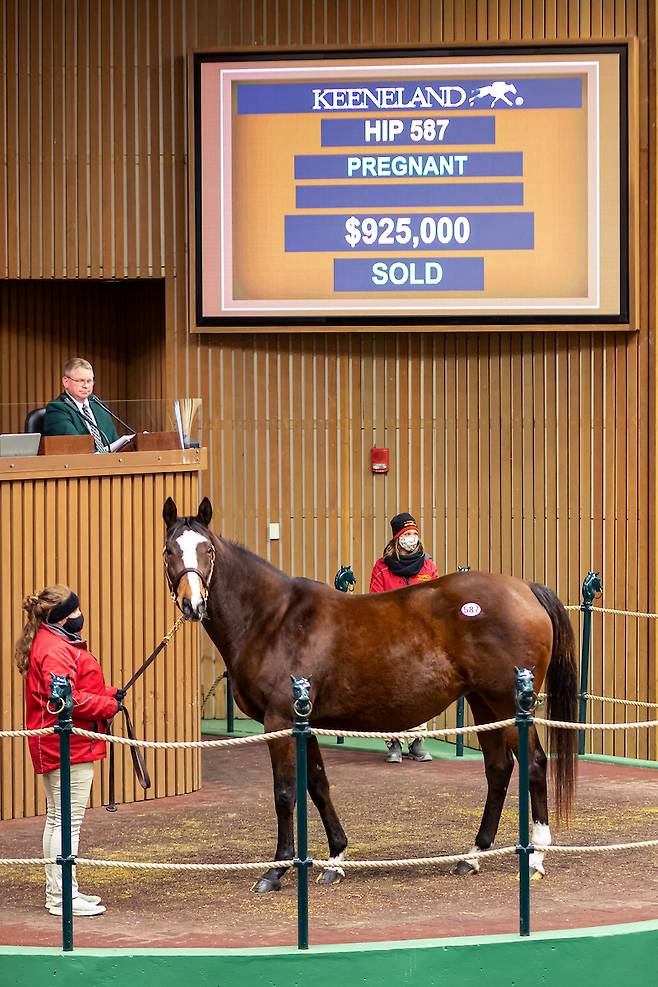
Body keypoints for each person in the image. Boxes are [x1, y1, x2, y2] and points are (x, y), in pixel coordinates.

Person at [15, 584, 123, 917]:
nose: (80, 616)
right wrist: (107, 705)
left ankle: (62, 891)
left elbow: (75, 688)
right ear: (63, 618)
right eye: (75, 611)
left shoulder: (53, 642)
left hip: (61, 744)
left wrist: (109, 693)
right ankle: (62, 897)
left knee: (58, 820)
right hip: (66, 746)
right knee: (67, 823)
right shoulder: (55, 649)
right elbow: (65, 701)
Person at [369, 512, 439, 764]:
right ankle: (393, 743)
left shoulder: (428, 566)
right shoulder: (382, 567)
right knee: (389, 690)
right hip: (390, 638)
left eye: (414, 534)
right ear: (397, 538)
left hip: (420, 638)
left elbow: (435, 599)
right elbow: (375, 601)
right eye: (406, 535)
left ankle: (417, 742)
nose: (411, 538)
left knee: (420, 689)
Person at [43, 357, 118, 451]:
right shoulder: (57, 408)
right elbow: (75, 446)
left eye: (89, 381)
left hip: (110, 463)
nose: (86, 386)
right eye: (81, 381)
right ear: (66, 382)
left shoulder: (99, 406)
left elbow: (115, 441)